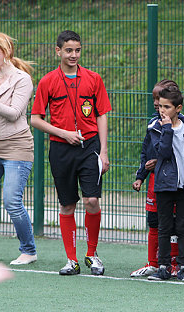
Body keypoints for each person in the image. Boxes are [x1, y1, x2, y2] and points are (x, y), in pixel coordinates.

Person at [31, 30, 111, 276]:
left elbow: (102, 114)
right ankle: (71, 259)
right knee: (68, 205)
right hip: (61, 149)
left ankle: (92, 254)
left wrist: (104, 151)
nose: (73, 54)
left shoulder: (94, 78)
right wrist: (63, 133)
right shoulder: (47, 81)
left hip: (90, 147)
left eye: (77, 50)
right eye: (68, 50)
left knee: (92, 200)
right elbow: (35, 119)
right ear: (58, 51)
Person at [146, 82, 184, 282]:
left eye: (167, 107)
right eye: (160, 106)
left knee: (183, 227)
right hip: (164, 185)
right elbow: (162, 153)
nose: (162, 110)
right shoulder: (156, 128)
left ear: (178, 108)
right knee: (164, 227)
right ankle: (163, 266)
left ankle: (183, 267)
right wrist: (166, 130)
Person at [0, 32, 38, 265]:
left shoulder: (22, 79)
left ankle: (29, 250)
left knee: (11, 202)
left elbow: (15, 112)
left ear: (6, 51)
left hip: (18, 147)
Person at [130, 79, 180, 277]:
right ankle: (153, 262)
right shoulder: (152, 124)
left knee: (174, 224)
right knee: (154, 220)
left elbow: (177, 154)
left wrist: (158, 162)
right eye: (154, 99)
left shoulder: (180, 125)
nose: (156, 104)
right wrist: (141, 176)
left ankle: (174, 264)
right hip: (154, 181)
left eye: (159, 100)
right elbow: (145, 152)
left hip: (171, 182)